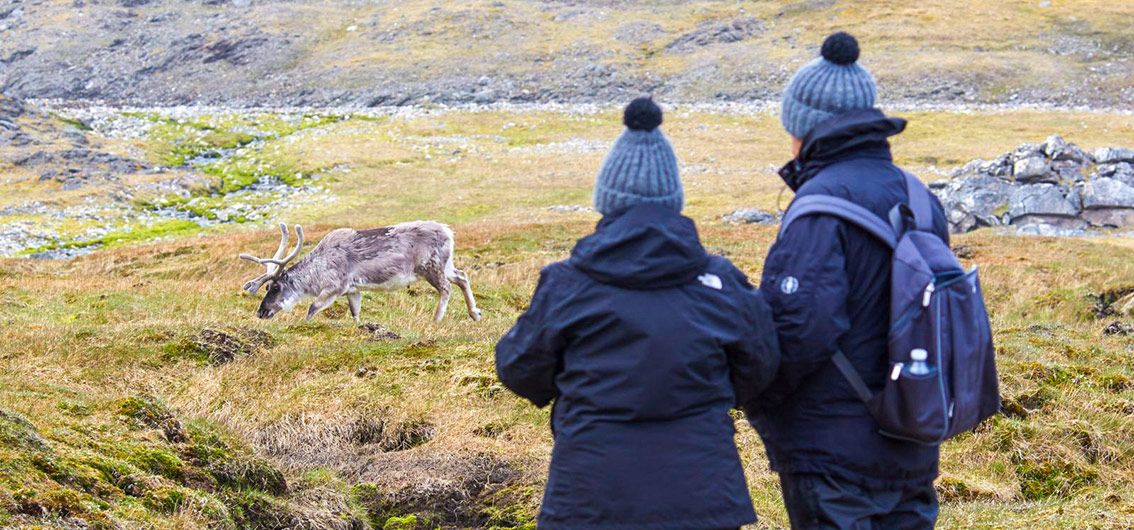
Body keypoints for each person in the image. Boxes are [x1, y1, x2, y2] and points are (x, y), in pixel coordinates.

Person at [495, 97, 781, 530]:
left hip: (590, 494)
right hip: (702, 495)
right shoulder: (722, 283)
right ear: (675, 200)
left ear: (606, 200)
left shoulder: (568, 284)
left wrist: (575, 387)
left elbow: (519, 368)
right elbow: (761, 365)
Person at [748, 32, 951, 530]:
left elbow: (797, 331)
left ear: (804, 127)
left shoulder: (820, 207)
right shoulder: (918, 196)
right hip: (914, 432)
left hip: (832, 455)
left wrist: (754, 395)